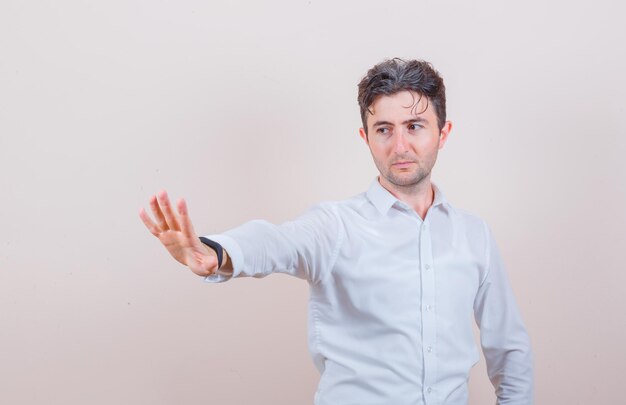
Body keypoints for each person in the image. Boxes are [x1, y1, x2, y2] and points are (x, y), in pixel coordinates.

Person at [139, 58, 533, 405]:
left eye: (415, 126)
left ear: (442, 133)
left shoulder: (473, 235)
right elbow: (278, 241)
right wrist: (218, 253)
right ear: (366, 137)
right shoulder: (335, 226)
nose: (400, 145)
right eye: (383, 129)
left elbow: (509, 348)